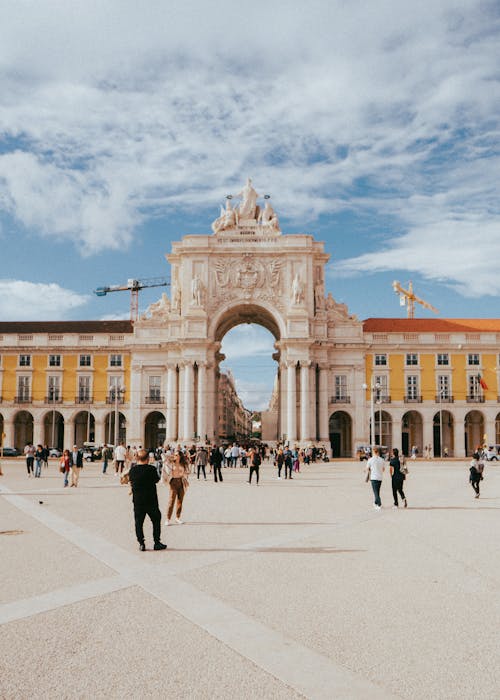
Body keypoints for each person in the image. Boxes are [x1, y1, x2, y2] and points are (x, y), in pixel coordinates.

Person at [128, 448, 166, 551]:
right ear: (148, 459)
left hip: (138, 501)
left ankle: (141, 543)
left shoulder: (133, 470)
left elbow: (130, 480)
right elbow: (157, 480)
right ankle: (157, 542)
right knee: (156, 520)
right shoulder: (151, 469)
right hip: (151, 501)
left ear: (137, 458)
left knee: (138, 523)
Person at [163, 447, 190, 525]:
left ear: (180, 456)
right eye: (174, 455)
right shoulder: (171, 463)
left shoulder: (183, 464)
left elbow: (187, 471)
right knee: (171, 501)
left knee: (180, 500)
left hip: (181, 481)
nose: (175, 456)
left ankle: (177, 518)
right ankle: (168, 519)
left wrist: (185, 478)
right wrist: (170, 457)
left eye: (177, 455)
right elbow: (163, 456)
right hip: (173, 482)